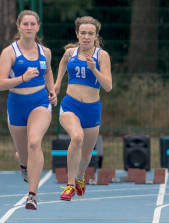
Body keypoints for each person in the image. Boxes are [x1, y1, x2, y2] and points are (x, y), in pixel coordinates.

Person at [0, 10, 57, 210]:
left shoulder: (45, 52)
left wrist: (52, 91)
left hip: (39, 103)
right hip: (16, 105)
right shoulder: (9, 52)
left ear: (38, 27)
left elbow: (48, 71)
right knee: (25, 155)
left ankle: (32, 195)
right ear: (19, 27)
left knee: (34, 143)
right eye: (26, 24)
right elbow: (1, 83)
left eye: (33, 24)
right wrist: (22, 78)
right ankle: (23, 164)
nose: (29, 27)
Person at [54, 16, 112, 201]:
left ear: (96, 35)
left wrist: (94, 69)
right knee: (77, 137)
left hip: (92, 109)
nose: (86, 37)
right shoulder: (70, 53)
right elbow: (63, 62)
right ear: (77, 34)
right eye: (83, 33)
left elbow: (108, 86)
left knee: (87, 154)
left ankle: (79, 177)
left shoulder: (101, 56)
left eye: (90, 34)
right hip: (70, 105)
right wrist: (57, 84)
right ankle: (70, 185)